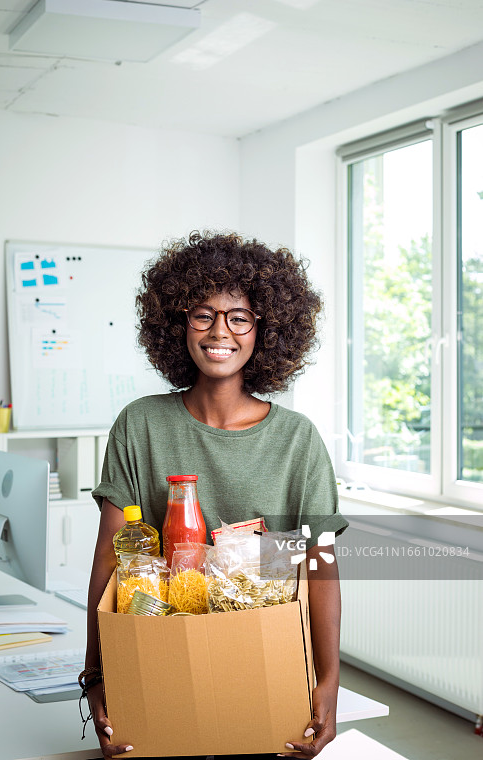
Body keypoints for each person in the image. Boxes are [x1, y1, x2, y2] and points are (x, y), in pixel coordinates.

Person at [83, 231, 349, 759]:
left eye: (239, 317)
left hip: (262, 665)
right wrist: (95, 674)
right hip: (159, 661)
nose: (219, 332)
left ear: (265, 330)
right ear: (177, 325)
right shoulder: (141, 424)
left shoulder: (298, 440)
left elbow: (321, 569)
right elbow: (110, 561)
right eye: (202, 315)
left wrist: (329, 680)